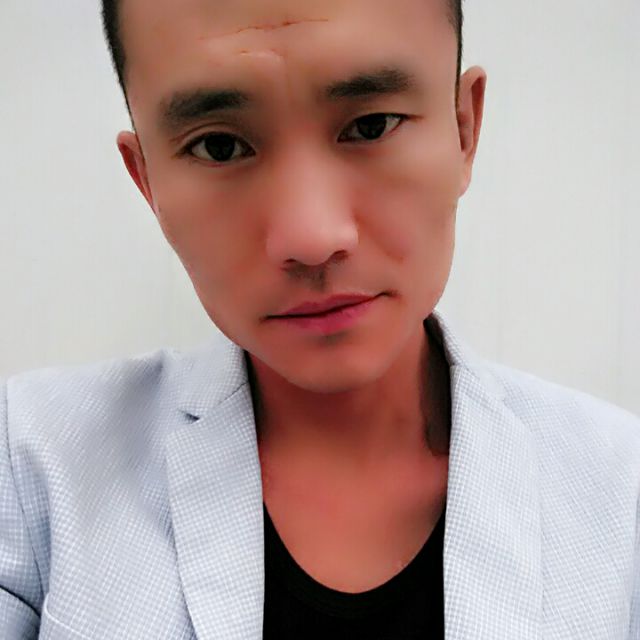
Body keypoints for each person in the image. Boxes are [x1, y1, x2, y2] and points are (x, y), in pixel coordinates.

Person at [1, 0, 638, 637]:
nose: (311, 237)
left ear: (464, 130)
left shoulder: (621, 492)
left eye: (371, 126)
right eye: (220, 146)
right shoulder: (32, 465)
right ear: (148, 183)